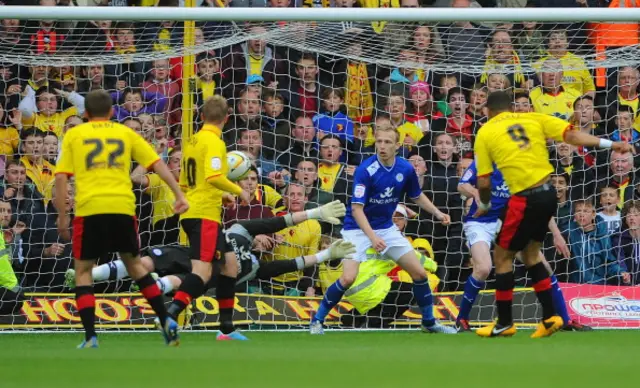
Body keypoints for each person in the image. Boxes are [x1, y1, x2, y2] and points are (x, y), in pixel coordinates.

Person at [472, 91, 633, 338]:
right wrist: (613, 144)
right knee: (531, 255)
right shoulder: (534, 118)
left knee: (502, 255)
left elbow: (483, 182)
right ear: (512, 108)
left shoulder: (485, 132)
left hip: (524, 197)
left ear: (488, 111)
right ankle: (549, 318)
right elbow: (573, 135)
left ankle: (504, 322)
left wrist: (483, 205)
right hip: (549, 195)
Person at [54, 90, 189, 349]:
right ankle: (166, 319)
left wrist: (62, 216)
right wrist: (179, 194)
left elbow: (61, 178)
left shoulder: (75, 134)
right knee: (136, 267)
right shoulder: (125, 133)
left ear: (85, 114)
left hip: (89, 208)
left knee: (83, 271)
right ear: (113, 112)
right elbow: (157, 164)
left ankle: (90, 336)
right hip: (122, 207)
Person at [310, 126, 456, 335]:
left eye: (387, 142)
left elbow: (416, 195)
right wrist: (372, 236)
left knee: (419, 274)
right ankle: (317, 321)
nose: (382, 146)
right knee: (348, 278)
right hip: (357, 229)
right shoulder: (365, 170)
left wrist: (438, 213)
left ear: (397, 146)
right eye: (379, 141)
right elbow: (356, 209)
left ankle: (429, 322)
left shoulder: (405, 168)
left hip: (385, 228)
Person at [66, 201, 350, 296]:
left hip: (201, 277)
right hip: (193, 252)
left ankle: (154, 286)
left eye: (269, 243)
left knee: (184, 279)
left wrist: (327, 254)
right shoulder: (241, 229)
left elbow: (293, 264)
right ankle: (92, 276)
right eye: (265, 237)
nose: (266, 241)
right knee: (150, 260)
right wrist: (316, 212)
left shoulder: (255, 269)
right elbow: (279, 220)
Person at [457, 160, 590, 333]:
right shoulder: (485, 161)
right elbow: (461, 185)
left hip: (509, 222)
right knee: (483, 268)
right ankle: (461, 320)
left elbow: (539, 205)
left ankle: (565, 320)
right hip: (480, 222)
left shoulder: (523, 168)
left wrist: (557, 235)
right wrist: (476, 192)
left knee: (543, 266)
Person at [165, 95, 251, 342]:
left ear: (201, 116)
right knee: (201, 272)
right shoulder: (214, 142)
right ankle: (170, 314)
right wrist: (238, 190)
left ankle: (226, 329)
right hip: (203, 215)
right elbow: (214, 176)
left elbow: (188, 181)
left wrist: (221, 195)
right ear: (227, 118)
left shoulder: (191, 141)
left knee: (229, 265)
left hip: (200, 210)